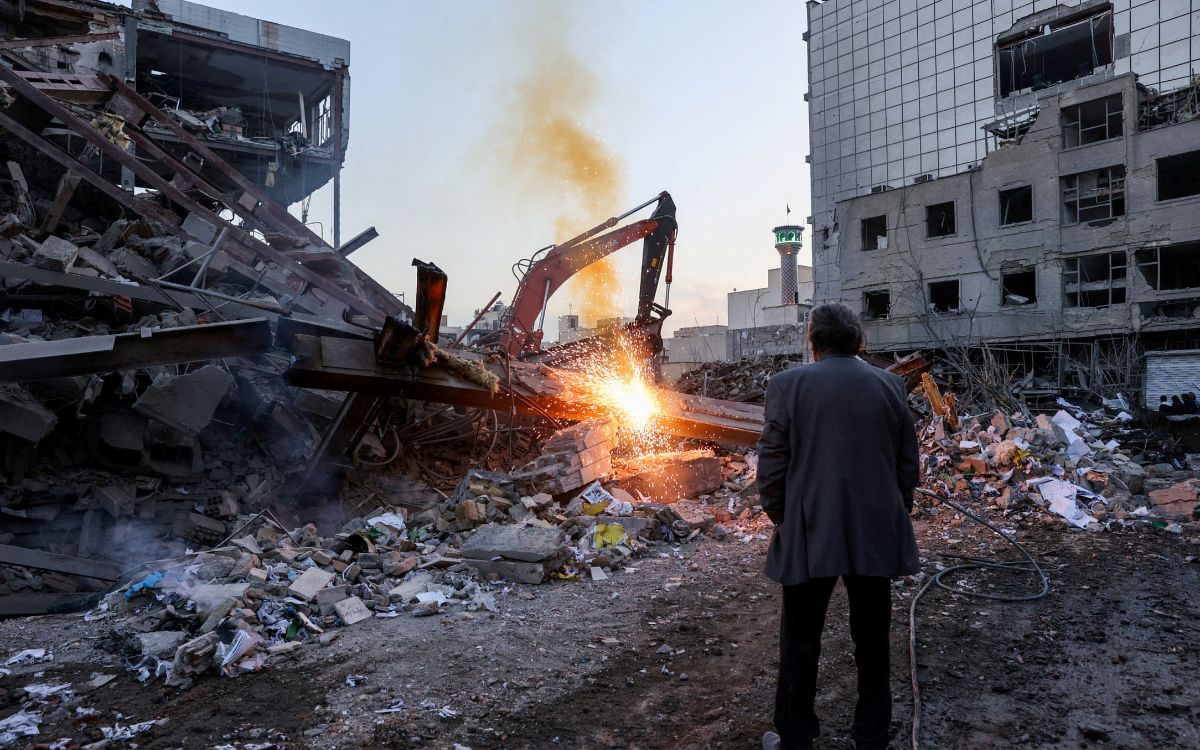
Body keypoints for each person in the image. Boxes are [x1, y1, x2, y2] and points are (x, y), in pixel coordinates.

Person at [757, 302, 920, 750]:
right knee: (872, 640)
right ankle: (870, 737)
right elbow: (908, 464)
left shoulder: (788, 385)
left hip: (812, 530)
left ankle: (795, 735)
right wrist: (892, 511)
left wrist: (784, 517)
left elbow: (771, 465)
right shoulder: (891, 386)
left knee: (801, 640)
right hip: (875, 530)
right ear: (858, 340)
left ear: (813, 339)